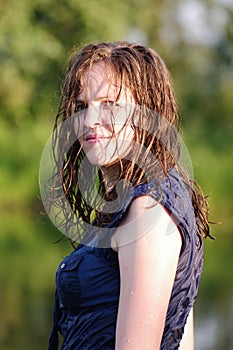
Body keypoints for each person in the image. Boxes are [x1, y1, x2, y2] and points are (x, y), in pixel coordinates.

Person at [46, 41, 212, 349]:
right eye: (82, 107)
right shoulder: (132, 202)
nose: (90, 121)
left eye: (109, 104)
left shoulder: (150, 209)